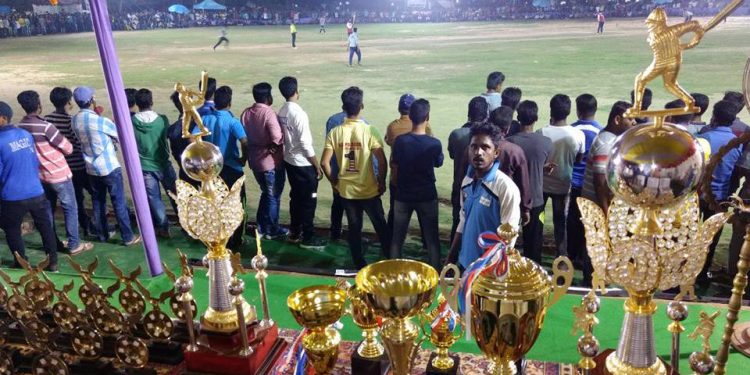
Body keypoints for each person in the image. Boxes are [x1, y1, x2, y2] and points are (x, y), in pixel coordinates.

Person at [320, 86, 390, 269]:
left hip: (347, 191)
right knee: (380, 225)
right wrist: (381, 182)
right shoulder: (370, 130)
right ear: (362, 106)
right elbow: (382, 161)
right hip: (368, 190)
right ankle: (390, 258)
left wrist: (334, 182)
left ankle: (359, 263)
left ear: (343, 106)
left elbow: (324, 163)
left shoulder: (334, 132)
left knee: (354, 227)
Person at [16, 90, 92, 255]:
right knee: (70, 208)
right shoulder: (46, 126)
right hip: (58, 174)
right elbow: (68, 148)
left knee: (48, 210)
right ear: (39, 105)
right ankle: (74, 244)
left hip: (40, 176)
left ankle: (53, 243)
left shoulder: (21, 126)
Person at [71, 86, 141, 246]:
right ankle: (128, 236)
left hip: (91, 168)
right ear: (91, 100)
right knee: (118, 202)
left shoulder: (75, 120)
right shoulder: (100, 121)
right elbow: (118, 134)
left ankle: (103, 235)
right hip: (109, 167)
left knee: (98, 202)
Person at [448, 123, 521, 270]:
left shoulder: (505, 187)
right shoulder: (466, 181)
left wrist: (494, 270)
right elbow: (463, 220)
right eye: (474, 147)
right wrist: (451, 259)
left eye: (485, 147)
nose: (478, 152)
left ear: (496, 153)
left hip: (489, 270)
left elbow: (509, 235)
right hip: (465, 264)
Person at [580, 101, 635, 285]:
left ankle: (598, 282)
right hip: (598, 206)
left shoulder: (612, 140)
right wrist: (606, 212)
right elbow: (600, 182)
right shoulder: (605, 143)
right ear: (617, 119)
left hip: (601, 205)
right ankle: (593, 285)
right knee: (596, 247)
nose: (633, 122)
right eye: (630, 118)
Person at [0, 101, 59, 271]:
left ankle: (21, 262)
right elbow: (34, 161)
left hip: (12, 196)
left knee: (12, 231)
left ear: (3, 118)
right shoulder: (25, 134)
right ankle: (52, 262)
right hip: (36, 191)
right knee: (45, 227)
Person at [390, 99, 443, 270]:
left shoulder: (400, 141)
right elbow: (438, 163)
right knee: (432, 240)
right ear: (427, 117)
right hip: (427, 195)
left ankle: (394, 273)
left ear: (410, 117)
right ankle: (435, 274)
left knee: (397, 239)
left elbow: (395, 166)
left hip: (403, 195)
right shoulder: (434, 143)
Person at [697, 100, 743, 285]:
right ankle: (703, 273)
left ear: (714, 117)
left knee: (692, 235)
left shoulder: (705, 138)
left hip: (699, 195)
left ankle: (685, 272)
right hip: (721, 198)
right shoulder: (736, 142)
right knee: (713, 238)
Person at [278, 76, 326, 249]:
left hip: (289, 162)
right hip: (303, 164)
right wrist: (316, 164)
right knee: (309, 200)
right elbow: (305, 144)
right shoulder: (299, 113)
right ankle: (308, 236)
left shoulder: (282, 111)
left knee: (296, 198)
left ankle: (295, 232)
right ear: (296, 92)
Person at [201, 86, 249, 248]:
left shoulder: (206, 119)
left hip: (213, 170)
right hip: (233, 169)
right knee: (236, 205)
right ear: (229, 103)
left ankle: (218, 239)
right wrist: (244, 158)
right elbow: (244, 141)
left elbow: (192, 139)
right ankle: (236, 240)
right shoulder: (232, 121)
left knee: (216, 204)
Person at [538, 94, 584, 258]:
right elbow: (579, 158)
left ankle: (535, 253)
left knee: (539, 219)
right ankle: (562, 257)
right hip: (563, 186)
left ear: (551, 110)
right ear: (569, 112)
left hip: (542, 186)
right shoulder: (577, 134)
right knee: (560, 222)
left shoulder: (541, 132)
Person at [45, 87, 95, 238]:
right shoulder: (71, 121)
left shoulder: (47, 120)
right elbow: (77, 144)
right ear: (69, 102)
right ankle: (89, 226)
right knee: (88, 195)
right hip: (78, 166)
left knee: (75, 199)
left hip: (58, 168)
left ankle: (84, 226)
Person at [508, 100, 552, 264]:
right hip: (535, 199)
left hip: (513, 198)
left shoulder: (510, 142)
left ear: (518, 117)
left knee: (508, 239)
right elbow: (534, 164)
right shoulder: (546, 142)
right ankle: (533, 273)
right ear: (536, 118)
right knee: (534, 242)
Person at [242, 82, 287, 240]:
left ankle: (261, 227)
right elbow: (277, 137)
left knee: (266, 194)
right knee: (274, 195)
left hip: (254, 161)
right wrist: (274, 147)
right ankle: (272, 229)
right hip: (270, 163)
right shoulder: (269, 113)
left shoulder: (246, 113)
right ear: (268, 97)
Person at [384, 93, 433, 236]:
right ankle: (426, 243)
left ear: (399, 109)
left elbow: (388, 141)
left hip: (397, 178)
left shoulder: (392, 127)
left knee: (395, 212)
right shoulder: (426, 127)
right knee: (424, 217)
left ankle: (390, 243)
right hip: (421, 180)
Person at [131, 88, 176, 239]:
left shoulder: (132, 121)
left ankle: (163, 227)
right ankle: (185, 223)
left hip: (145, 167)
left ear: (137, 104)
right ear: (151, 102)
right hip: (163, 163)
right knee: (175, 194)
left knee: (154, 198)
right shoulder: (162, 119)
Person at [448, 97, 488, 245]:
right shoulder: (488, 137)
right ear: (486, 114)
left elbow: (452, 155)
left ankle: (452, 261)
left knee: (457, 222)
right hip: (481, 189)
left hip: (459, 184)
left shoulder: (456, 134)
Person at [568, 93, 601, 267]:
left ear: (578, 110)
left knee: (573, 220)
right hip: (590, 187)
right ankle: (584, 255)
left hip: (572, 184)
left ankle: (572, 255)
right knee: (588, 222)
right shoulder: (601, 132)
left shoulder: (572, 130)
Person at [488, 106, 531, 224]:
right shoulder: (514, 151)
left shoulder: (475, 147)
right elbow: (523, 182)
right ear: (507, 129)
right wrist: (525, 208)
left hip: (482, 199)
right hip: (506, 202)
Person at [166, 91, 193, 186]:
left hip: (185, 170)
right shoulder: (202, 123)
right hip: (204, 172)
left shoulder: (172, 129)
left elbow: (175, 153)